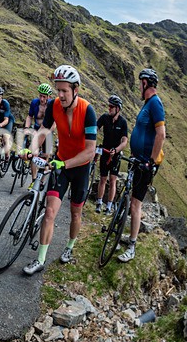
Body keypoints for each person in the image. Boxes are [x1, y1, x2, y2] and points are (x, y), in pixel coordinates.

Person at [20, 65, 97, 274]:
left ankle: (69, 247)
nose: (60, 95)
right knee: (50, 212)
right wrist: (31, 150)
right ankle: (41, 259)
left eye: (65, 91)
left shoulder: (87, 111)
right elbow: (43, 131)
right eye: (58, 90)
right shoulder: (54, 106)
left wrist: (65, 163)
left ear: (75, 90)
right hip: (61, 164)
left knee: (75, 213)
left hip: (80, 168)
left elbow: (90, 151)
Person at [118, 69, 166, 263]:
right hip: (137, 159)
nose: (139, 86)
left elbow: (161, 134)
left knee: (136, 203)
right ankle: (126, 233)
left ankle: (132, 246)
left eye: (140, 83)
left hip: (145, 164)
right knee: (129, 197)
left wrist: (151, 162)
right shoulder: (147, 104)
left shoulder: (155, 104)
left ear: (146, 83)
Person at [94, 95, 128, 214]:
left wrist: (117, 150)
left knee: (113, 180)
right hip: (105, 151)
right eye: (108, 106)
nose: (109, 108)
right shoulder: (104, 118)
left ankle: (108, 206)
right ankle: (98, 203)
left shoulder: (123, 122)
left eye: (111, 106)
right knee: (103, 178)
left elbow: (124, 141)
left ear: (118, 109)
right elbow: (95, 129)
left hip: (115, 154)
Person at [24, 83, 54, 180]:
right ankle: (33, 179)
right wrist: (26, 127)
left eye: (44, 96)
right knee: (34, 154)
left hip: (47, 131)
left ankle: (42, 181)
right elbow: (29, 116)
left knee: (45, 156)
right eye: (40, 95)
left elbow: (55, 123)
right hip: (36, 130)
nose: (41, 99)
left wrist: (48, 132)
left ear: (49, 96)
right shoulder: (34, 103)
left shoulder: (52, 105)